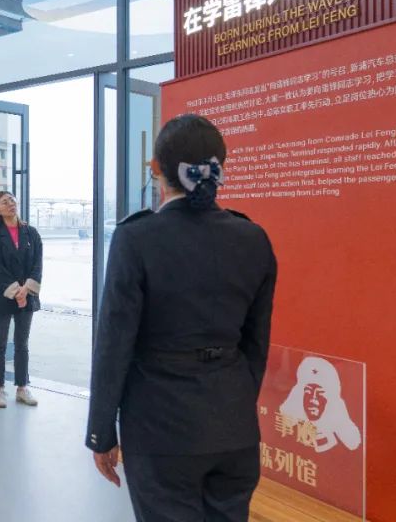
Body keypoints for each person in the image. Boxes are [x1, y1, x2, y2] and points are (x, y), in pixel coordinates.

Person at [87, 114, 278, 522]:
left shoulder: (136, 238)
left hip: (159, 428)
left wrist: (101, 431)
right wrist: (236, 400)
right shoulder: (253, 238)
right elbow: (256, 344)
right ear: (219, 166)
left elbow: (114, 344)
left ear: (156, 169)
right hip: (233, 425)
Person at [0, 190, 42, 409]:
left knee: (22, 344)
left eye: (12, 200)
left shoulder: (31, 233)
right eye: (4, 202)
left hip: (27, 296)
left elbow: (37, 265)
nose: (10, 204)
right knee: (0, 344)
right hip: (2, 295)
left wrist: (26, 290)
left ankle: (22, 387)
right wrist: (16, 291)